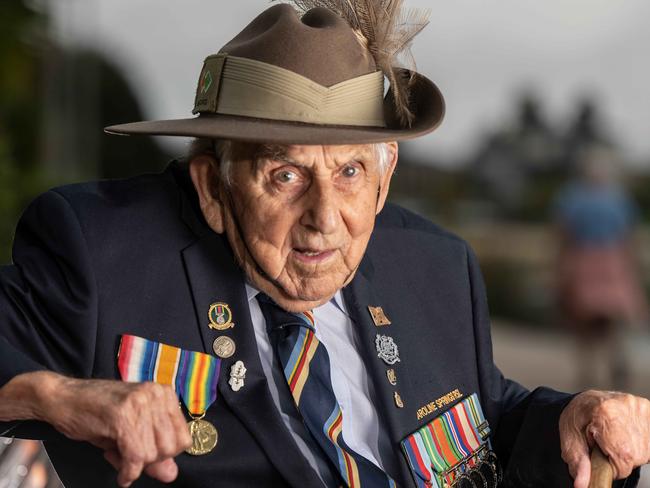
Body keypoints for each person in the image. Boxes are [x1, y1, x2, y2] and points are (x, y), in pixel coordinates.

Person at [0, 3, 649, 488]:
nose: (324, 220)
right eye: (284, 175)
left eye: (349, 173)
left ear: (386, 173)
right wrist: (55, 397)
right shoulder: (102, 249)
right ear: (211, 187)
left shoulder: (437, 265)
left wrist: (571, 414)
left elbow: (485, 420)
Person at [554, 147, 648, 389]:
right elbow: (629, 236)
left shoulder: (572, 198)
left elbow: (563, 235)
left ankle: (589, 371)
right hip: (613, 261)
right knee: (615, 319)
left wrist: (560, 269)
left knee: (583, 322)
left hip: (584, 260)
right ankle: (617, 363)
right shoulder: (618, 199)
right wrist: (633, 267)